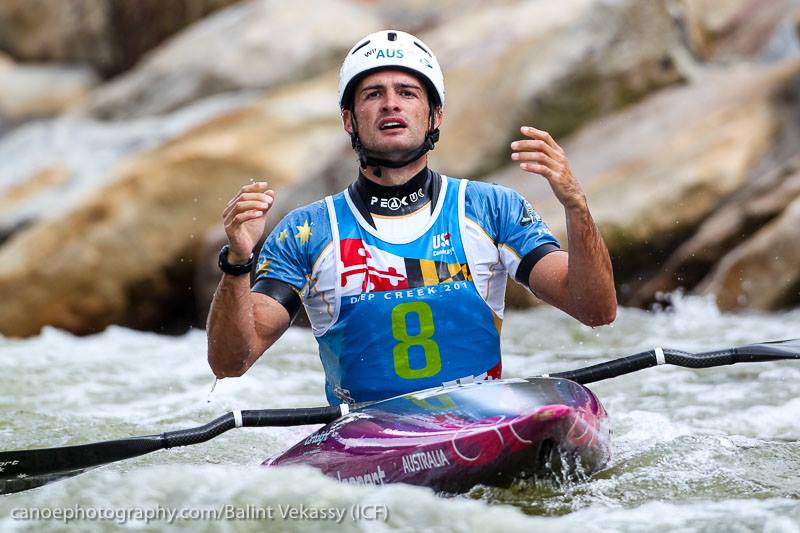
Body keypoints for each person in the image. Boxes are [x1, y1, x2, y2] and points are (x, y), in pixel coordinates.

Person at [207, 30, 616, 405]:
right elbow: (230, 362)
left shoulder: (492, 208)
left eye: (407, 92)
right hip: (367, 439)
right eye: (373, 94)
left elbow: (596, 310)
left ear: (435, 116)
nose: (391, 103)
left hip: (480, 421)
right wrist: (237, 260)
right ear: (349, 120)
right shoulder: (307, 231)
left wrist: (577, 208)